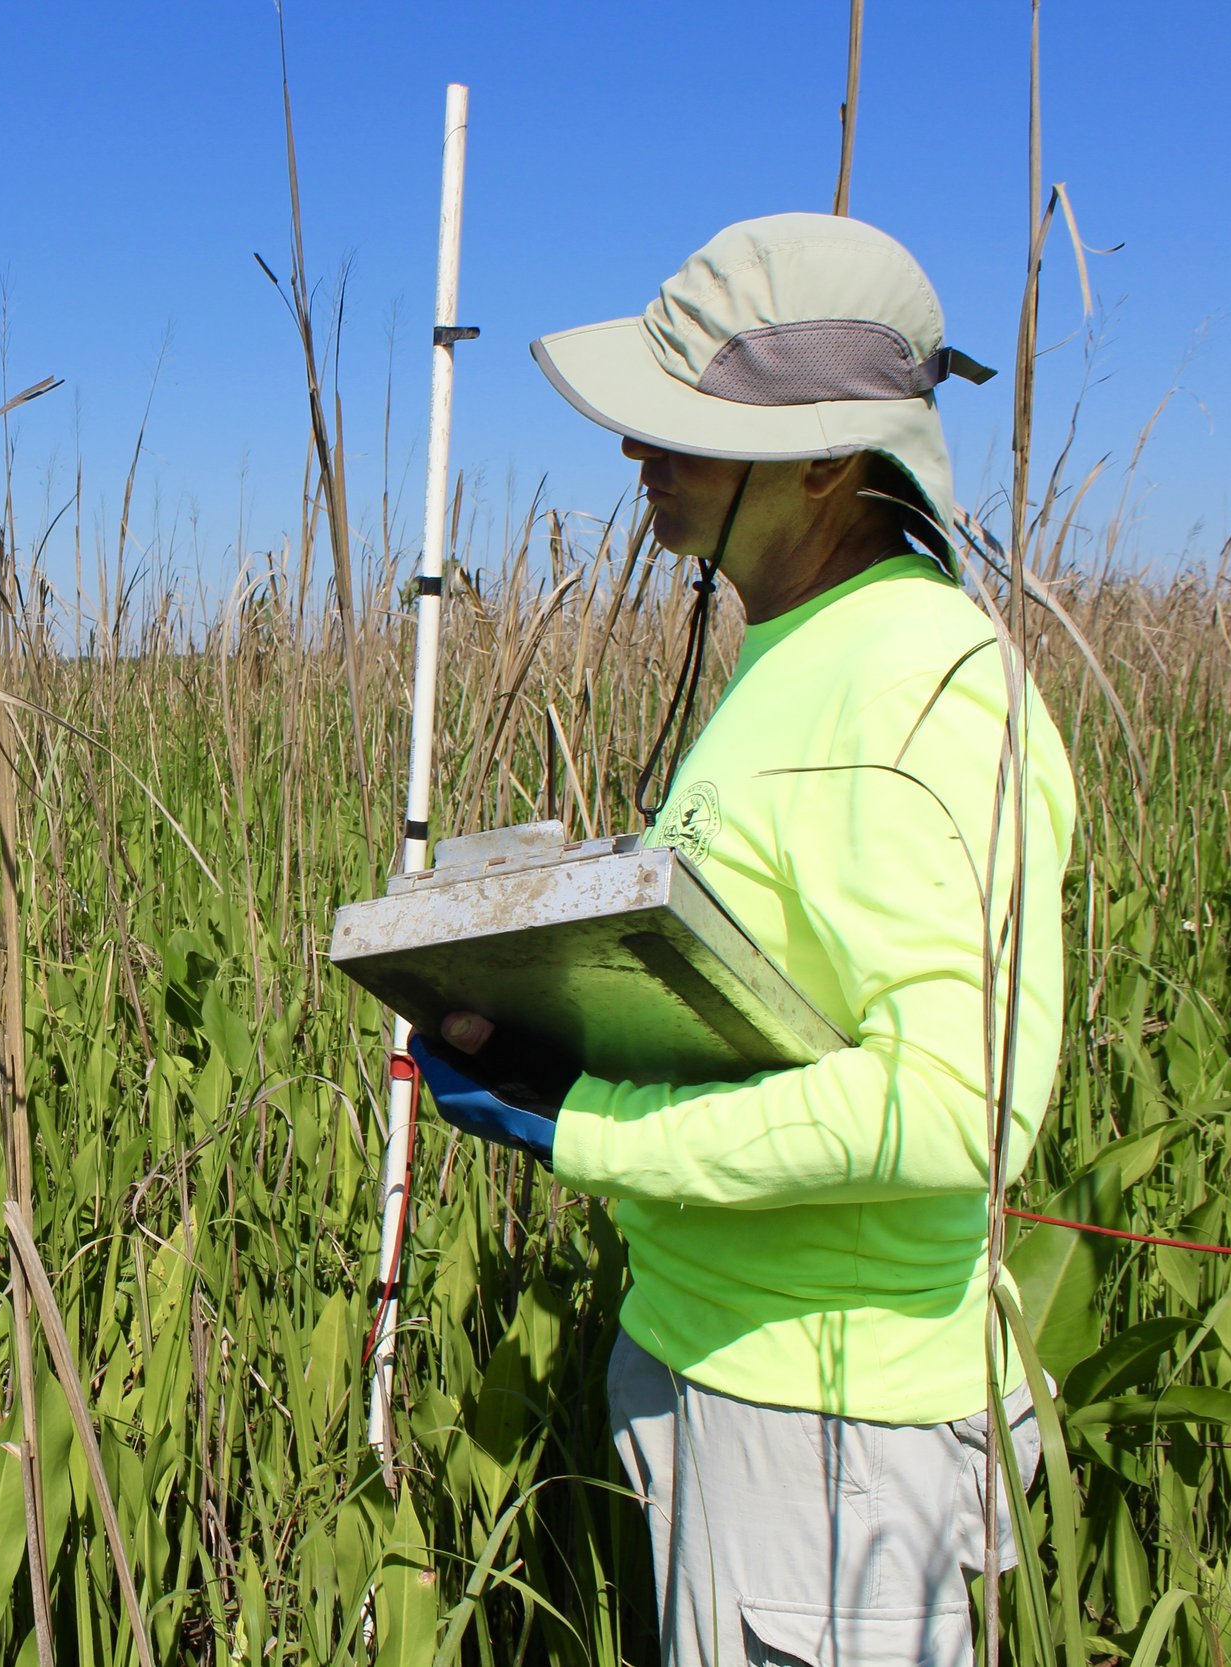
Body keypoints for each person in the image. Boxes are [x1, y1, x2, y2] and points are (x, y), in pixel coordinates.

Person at [437, 215, 1079, 1664]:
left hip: (834, 1436)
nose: (635, 451)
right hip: (724, 1369)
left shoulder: (917, 684)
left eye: (683, 427)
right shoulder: (807, 650)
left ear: (827, 463)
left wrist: (586, 1126)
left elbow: (955, 1108)